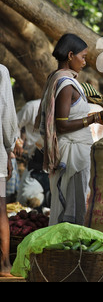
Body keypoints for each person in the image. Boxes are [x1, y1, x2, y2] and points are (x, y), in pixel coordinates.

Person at [36, 33, 103, 226]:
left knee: (76, 202)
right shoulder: (66, 84)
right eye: (82, 57)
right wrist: (96, 117)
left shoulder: (62, 79)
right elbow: (62, 124)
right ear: (70, 55)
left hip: (76, 151)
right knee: (74, 205)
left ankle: (70, 249)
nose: (84, 62)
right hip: (72, 154)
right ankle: (70, 250)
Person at [0, 64, 19, 277]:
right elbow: (6, 117)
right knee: (0, 208)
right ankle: (4, 265)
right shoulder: (1, 71)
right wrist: (8, 149)